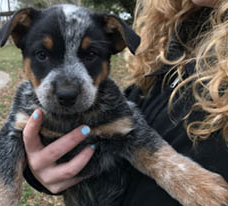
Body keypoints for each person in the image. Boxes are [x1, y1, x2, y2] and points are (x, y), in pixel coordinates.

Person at [23, 0, 228, 205]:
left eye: (91, 54)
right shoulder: (174, 44)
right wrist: (42, 169)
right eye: (42, 54)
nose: (66, 87)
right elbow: (127, 124)